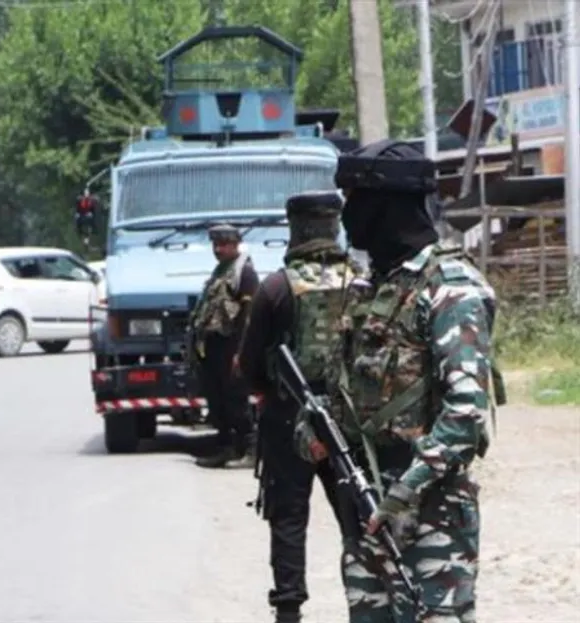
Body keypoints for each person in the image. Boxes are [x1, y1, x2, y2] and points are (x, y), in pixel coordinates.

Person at [296, 139, 505, 622]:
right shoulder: (371, 288)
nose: (346, 216)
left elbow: (465, 413)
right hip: (366, 504)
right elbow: (341, 389)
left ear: (386, 206)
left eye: (355, 201)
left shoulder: (451, 286)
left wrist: (403, 493)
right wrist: (314, 432)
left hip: (428, 511)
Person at [238, 190, 357, 623]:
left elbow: (249, 365)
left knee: (288, 515)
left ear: (296, 229)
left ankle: (289, 609)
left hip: (288, 416)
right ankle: (368, 598)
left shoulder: (275, 288)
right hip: (348, 419)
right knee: (356, 512)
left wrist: (264, 389)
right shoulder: (360, 281)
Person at [188, 223, 259, 469]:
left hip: (232, 348)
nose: (218, 249)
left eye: (223, 244)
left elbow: (248, 316)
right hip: (214, 349)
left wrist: (241, 352)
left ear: (235, 244)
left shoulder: (244, 273)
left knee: (236, 401)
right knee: (217, 401)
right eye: (215, 245)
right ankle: (226, 448)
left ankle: (249, 450)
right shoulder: (220, 272)